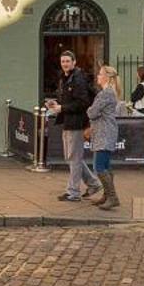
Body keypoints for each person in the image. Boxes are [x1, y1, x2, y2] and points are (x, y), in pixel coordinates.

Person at [46, 50, 99, 202]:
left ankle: (73, 192)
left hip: (77, 122)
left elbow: (83, 103)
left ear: (74, 62)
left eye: (68, 61)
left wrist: (62, 108)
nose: (65, 64)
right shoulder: (65, 77)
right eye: (63, 61)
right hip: (68, 121)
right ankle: (93, 183)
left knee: (74, 158)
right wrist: (56, 104)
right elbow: (68, 100)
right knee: (72, 157)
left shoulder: (78, 79)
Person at [87, 64, 124, 211]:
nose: (97, 76)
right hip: (106, 132)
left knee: (99, 166)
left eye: (100, 74)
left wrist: (89, 109)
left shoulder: (105, 94)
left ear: (107, 77)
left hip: (104, 133)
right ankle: (107, 196)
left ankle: (113, 197)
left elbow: (92, 112)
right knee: (106, 166)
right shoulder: (109, 93)